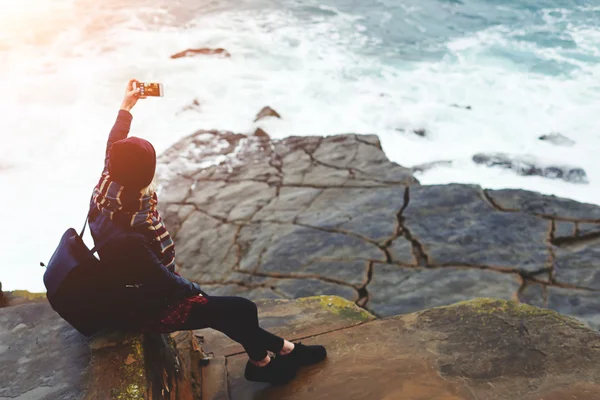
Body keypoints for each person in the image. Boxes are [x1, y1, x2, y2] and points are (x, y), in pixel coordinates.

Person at [88, 79, 326, 385]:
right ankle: (267, 361)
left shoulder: (107, 190)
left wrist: (126, 107)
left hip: (135, 286)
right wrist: (195, 290)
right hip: (147, 306)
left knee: (230, 313)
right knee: (241, 309)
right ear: (146, 174)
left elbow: (113, 145)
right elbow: (163, 282)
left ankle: (273, 356)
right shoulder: (128, 236)